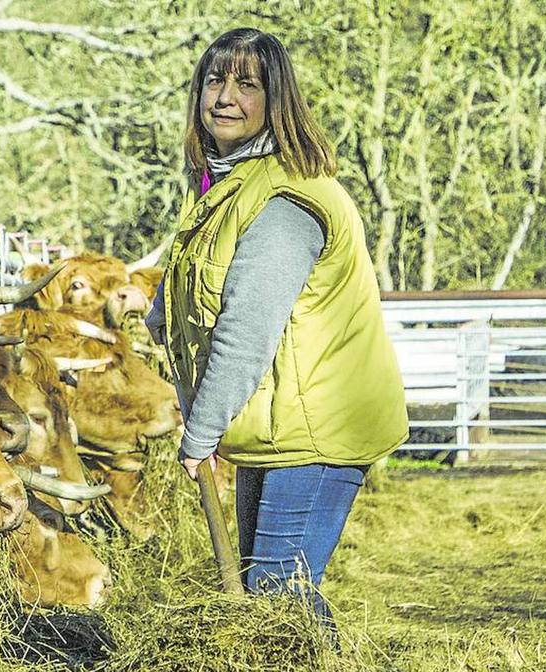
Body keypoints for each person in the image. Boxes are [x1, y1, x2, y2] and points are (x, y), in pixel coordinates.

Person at [144, 28, 409, 634]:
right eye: (215, 80)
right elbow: (197, 279)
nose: (225, 97)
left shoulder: (286, 200)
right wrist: (162, 313)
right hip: (274, 424)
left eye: (247, 84)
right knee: (268, 593)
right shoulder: (226, 187)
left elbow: (247, 329)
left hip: (317, 428)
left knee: (276, 596)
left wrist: (201, 431)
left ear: (277, 100)